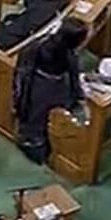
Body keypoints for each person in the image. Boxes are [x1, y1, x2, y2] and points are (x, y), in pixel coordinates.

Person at [14, 19, 86, 164]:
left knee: (35, 114)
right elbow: (74, 79)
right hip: (55, 87)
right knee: (46, 115)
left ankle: (31, 141)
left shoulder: (42, 44)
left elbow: (24, 62)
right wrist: (79, 96)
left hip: (36, 84)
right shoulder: (70, 55)